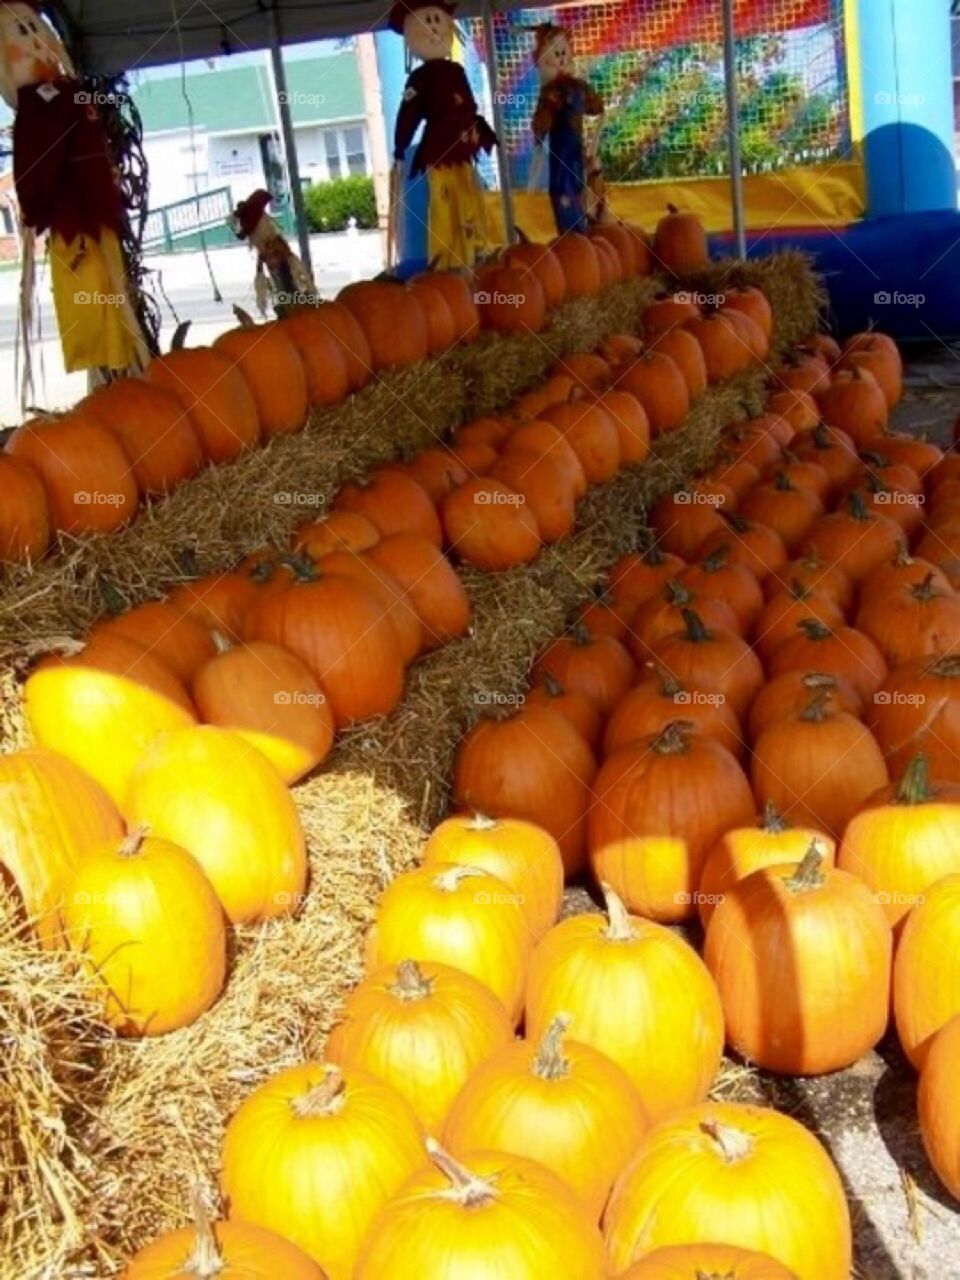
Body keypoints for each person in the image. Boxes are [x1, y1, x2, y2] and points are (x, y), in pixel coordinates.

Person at [0, 1, 147, 374]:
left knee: (108, 299)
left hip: (96, 215)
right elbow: (37, 168)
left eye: (34, 29)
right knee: (92, 302)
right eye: (21, 34)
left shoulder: (66, 94)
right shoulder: (40, 107)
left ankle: (123, 377)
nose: (33, 43)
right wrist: (36, 206)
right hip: (76, 222)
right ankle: (110, 379)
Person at [390, 0, 497, 270]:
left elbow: (470, 105)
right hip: (438, 149)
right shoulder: (419, 78)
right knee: (443, 202)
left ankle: (476, 251)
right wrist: (401, 145)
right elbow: (409, 111)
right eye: (427, 21)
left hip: (462, 145)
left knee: (470, 195)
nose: (435, 27)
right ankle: (448, 260)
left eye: (438, 19)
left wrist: (475, 128)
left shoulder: (458, 71)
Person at [531, 23, 605, 235]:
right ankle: (578, 234)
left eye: (564, 52)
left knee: (569, 189)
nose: (562, 57)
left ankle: (577, 234)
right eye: (556, 53)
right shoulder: (562, 90)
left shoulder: (564, 90)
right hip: (567, 151)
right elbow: (543, 122)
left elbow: (598, 110)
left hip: (569, 152)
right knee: (570, 189)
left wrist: (593, 143)